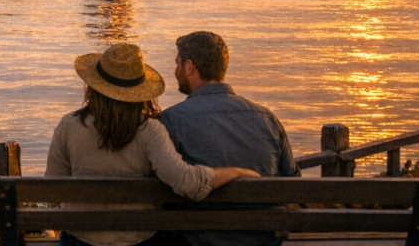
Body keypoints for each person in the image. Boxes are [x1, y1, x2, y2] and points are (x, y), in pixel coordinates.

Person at [46, 43, 259, 246]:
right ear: (139, 90)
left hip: (79, 240)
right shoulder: (150, 131)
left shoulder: (69, 126)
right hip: (139, 240)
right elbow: (187, 182)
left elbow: (52, 194)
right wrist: (236, 171)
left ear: (94, 86)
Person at [160, 32, 299, 246]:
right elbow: (290, 183)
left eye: (177, 64)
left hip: (199, 240)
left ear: (189, 66)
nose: (176, 71)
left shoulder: (172, 120)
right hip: (263, 240)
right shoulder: (266, 118)